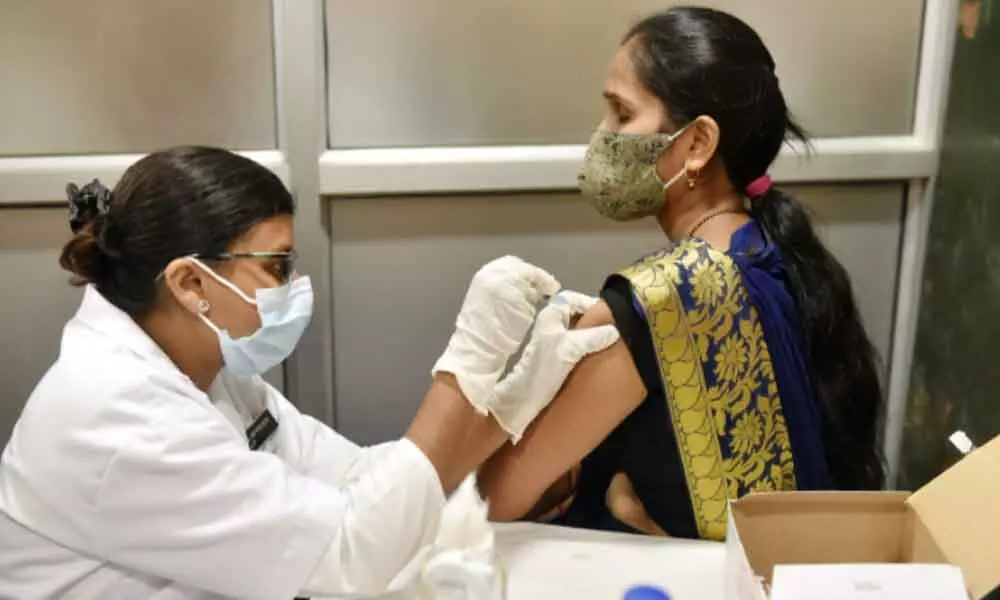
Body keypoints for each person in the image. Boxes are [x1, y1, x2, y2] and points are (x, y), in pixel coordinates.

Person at [0, 147, 619, 599]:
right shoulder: (116, 413)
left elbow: (357, 479)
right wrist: (469, 360)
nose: (294, 289)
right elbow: (350, 553)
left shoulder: (204, 368)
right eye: (276, 267)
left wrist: (519, 389)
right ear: (191, 283)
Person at [478, 6, 885, 541]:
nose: (603, 136)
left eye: (622, 116)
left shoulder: (657, 301)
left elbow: (494, 499)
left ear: (697, 144)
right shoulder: (776, 254)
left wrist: (508, 388)